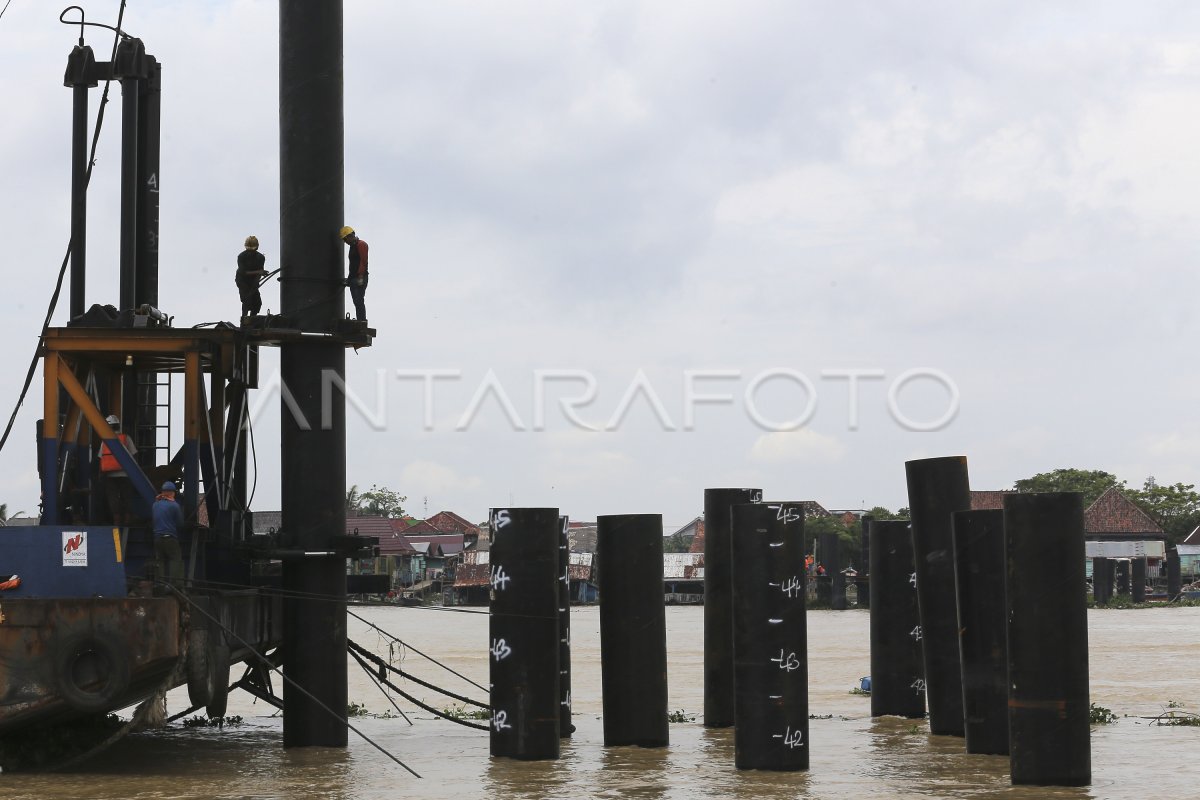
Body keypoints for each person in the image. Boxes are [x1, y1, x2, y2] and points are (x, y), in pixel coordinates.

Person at [99, 414, 138, 524]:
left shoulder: (105, 441)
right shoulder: (126, 438)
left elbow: (101, 458)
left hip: (110, 475)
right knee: (127, 497)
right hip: (126, 474)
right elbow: (134, 455)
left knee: (113, 498)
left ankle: (116, 520)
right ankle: (127, 519)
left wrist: (100, 474)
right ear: (117, 426)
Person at [152, 481, 185, 591]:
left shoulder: (155, 505)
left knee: (159, 561)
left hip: (157, 538)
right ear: (172, 493)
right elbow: (180, 524)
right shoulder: (175, 506)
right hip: (170, 538)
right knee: (175, 559)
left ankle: (159, 584)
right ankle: (174, 585)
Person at [339, 225, 368, 321]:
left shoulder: (361, 244)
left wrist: (360, 276)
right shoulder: (352, 247)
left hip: (360, 277)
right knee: (356, 301)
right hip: (353, 278)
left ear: (350, 236)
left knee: (359, 300)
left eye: (345, 239)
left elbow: (363, 261)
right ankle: (361, 320)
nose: (345, 242)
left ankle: (362, 321)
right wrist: (349, 278)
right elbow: (353, 265)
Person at [236, 235, 267, 319]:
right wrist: (258, 272)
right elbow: (243, 273)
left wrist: (256, 282)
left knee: (257, 303)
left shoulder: (261, 257)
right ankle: (244, 320)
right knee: (247, 301)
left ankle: (252, 320)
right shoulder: (241, 257)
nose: (250, 252)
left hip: (253, 281)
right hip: (242, 281)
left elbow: (260, 271)